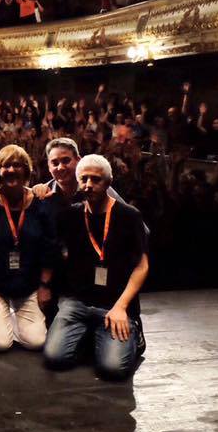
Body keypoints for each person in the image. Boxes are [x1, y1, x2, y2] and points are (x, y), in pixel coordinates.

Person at [44, 155, 148, 379]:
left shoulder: (129, 215)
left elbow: (142, 266)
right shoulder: (70, 215)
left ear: (109, 182)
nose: (89, 184)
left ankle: (133, 331)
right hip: (78, 302)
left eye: (96, 179)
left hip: (114, 303)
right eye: (84, 179)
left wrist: (122, 307)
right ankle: (93, 334)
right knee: (55, 358)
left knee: (113, 369)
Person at [0, 145, 56, 352]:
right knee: (0, 344)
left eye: (17, 165)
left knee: (36, 342)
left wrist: (44, 286)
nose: (11, 170)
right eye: (5, 165)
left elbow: (49, 247)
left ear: (26, 170)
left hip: (29, 285)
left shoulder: (40, 202)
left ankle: (11, 319)